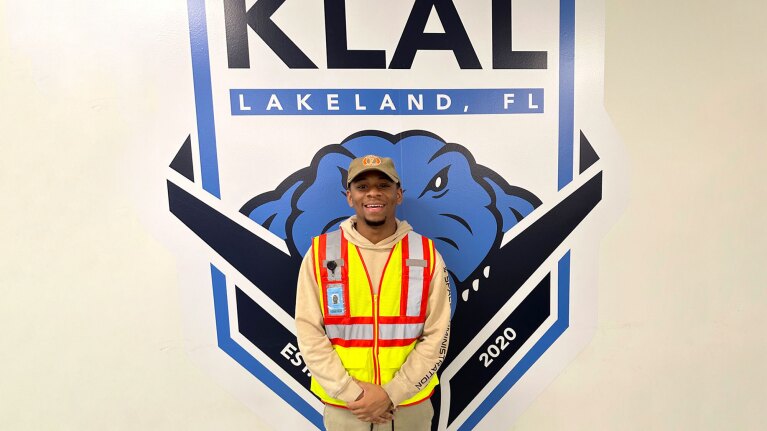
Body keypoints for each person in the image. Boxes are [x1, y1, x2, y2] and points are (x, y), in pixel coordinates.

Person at [295, 155, 451, 430]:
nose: (373, 193)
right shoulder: (321, 252)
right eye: (362, 186)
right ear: (349, 197)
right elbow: (309, 331)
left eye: (383, 185)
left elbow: (438, 334)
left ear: (398, 195)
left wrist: (393, 393)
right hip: (347, 407)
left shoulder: (425, 254)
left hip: (409, 405)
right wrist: (354, 394)